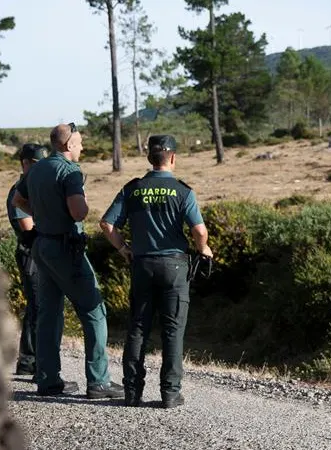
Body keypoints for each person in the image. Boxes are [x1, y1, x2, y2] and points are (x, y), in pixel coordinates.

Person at [99, 135, 213, 409]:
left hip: (142, 265)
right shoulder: (183, 191)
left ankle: (132, 392)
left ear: (150, 158)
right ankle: (170, 394)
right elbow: (199, 230)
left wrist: (123, 248)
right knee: (173, 331)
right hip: (174, 267)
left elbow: (106, 224)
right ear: (173, 158)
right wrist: (204, 248)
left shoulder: (132, 189)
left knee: (138, 328)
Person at [12, 123, 123, 399]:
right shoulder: (70, 171)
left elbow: (18, 199)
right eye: (80, 142)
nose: (83, 147)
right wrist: (79, 203)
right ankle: (99, 382)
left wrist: (40, 212)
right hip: (66, 248)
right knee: (94, 311)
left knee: (49, 315)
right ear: (68, 145)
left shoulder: (36, 169)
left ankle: (49, 380)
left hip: (42, 246)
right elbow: (78, 213)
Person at [7, 143, 48, 377]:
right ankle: (32, 361)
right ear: (25, 164)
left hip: (38, 254)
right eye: (36, 165)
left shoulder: (33, 187)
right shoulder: (20, 191)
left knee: (38, 307)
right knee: (38, 307)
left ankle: (28, 360)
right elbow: (28, 228)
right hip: (30, 254)